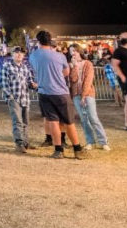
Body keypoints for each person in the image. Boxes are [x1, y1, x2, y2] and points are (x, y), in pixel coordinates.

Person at [29, 31, 85, 159]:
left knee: (53, 122)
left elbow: (35, 70)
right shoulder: (60, 56)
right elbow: (66, 72)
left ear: (38, 42)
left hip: (44, 92)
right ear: (50, 41)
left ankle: (58, 150)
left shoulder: (33, 56)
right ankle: (77, 149)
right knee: (68, 122)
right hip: (60, 92)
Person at [68, 45, 110, 150]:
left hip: (88, 94)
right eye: (71, 51)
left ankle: (103, 141)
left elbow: (88, 80)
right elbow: (73, 79)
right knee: (83, 119)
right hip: (76, 95)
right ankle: (90, 141)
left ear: (79, 52)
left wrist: (84, 96)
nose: (73, 53)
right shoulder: (71, 65)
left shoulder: (88, 64)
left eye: (75, 51)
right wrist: (74, 67)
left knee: (93, 118)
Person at [1, 46, 37, 153]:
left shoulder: (25, 67)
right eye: (16, 53)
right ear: (12, 55)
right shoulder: (7, 66)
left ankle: (26, 143)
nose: (19, 55)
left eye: (21, 53)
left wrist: (34, 85)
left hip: (25, 98)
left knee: (25, 121)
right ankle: (19, 143)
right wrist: (10, 97)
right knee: (17, 121)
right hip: (14, 98)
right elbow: (4, 84)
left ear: (24, 56)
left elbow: (29, 82)